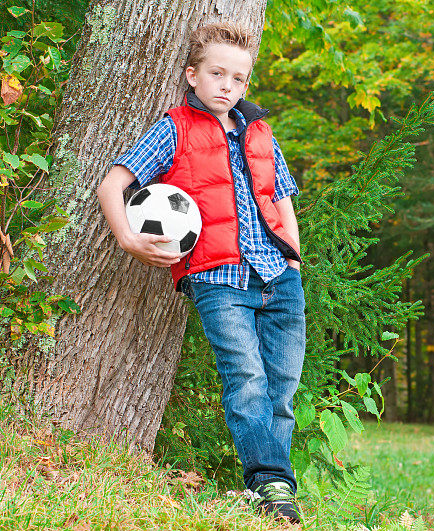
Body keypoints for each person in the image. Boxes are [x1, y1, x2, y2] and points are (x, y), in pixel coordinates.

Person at [96, 21, 305, 524]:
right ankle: (272, 482)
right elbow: (114, 182)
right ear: (193, 75)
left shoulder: (259, 131)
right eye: (217, 74)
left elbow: (281, 195)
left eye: (238, 78)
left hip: (278, 275)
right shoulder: (174, 129)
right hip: (217, 277)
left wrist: (295, 257)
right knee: (246, 378)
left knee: (282, 383)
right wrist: (128, 238)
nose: (227, 85)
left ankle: (271, 482)